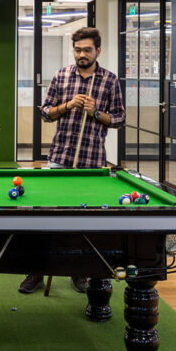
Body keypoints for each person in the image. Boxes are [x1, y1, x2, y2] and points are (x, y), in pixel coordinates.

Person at [19, 27, 126, 295]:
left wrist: (96, 111)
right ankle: (37, 272)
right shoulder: (62, 76)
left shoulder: (109, 81)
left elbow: (119, 119)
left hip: (91, 163)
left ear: (97, 51)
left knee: (83, 222)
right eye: (77, 49)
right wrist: (67, 105)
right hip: (59, 159)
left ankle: (79, 272)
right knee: (46, 218)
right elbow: (45, 113)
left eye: (87, 50)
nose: (81, 54)